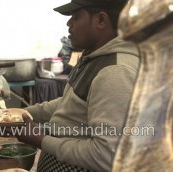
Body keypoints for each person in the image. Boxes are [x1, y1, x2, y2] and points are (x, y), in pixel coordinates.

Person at [16, 0, 139, 171]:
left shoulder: (116, 71)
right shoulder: (94, 57)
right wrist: (23, 113)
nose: (68, 23)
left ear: (101, 20)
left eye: (75, 17)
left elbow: (106, 155)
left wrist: (41, 140)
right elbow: (70, 103)